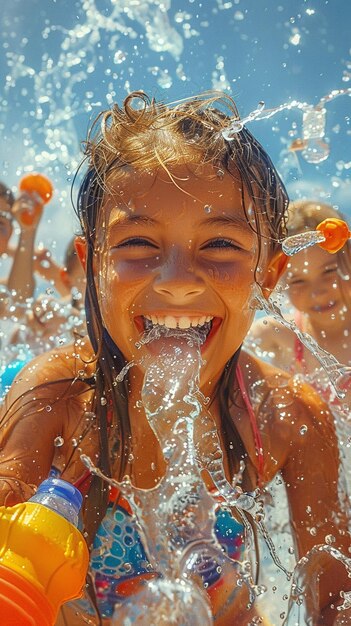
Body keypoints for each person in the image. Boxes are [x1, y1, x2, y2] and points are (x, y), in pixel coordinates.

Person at [0, 92, 350, 626]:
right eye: (138, 242)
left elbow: (333, 603)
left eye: (222, 246)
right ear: (91, 264)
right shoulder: (56, 399)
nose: (179, 282)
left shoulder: (288, 417)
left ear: (269, 275)